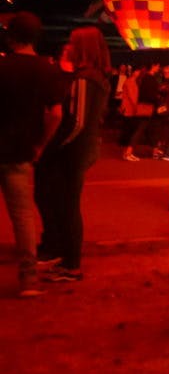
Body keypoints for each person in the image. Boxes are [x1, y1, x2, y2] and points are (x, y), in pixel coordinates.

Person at [33, 26, 111, 284]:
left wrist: (51, 146)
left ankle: (71, 264)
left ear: (83, 47)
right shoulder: (97, 76)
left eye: (74, 43)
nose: (70, 46)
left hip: (74, 151)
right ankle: (66, 259)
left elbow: (76, 122)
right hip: (80, 148)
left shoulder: (85, 79)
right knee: (65, 204)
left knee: (67, 206)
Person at [0, 12, 66, 297]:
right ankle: (28, 280)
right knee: (23, 215)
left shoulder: (2, 66)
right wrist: (41, 144)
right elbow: (55, 114)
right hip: (21, 151)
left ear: (10, 37)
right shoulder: (47, 70)